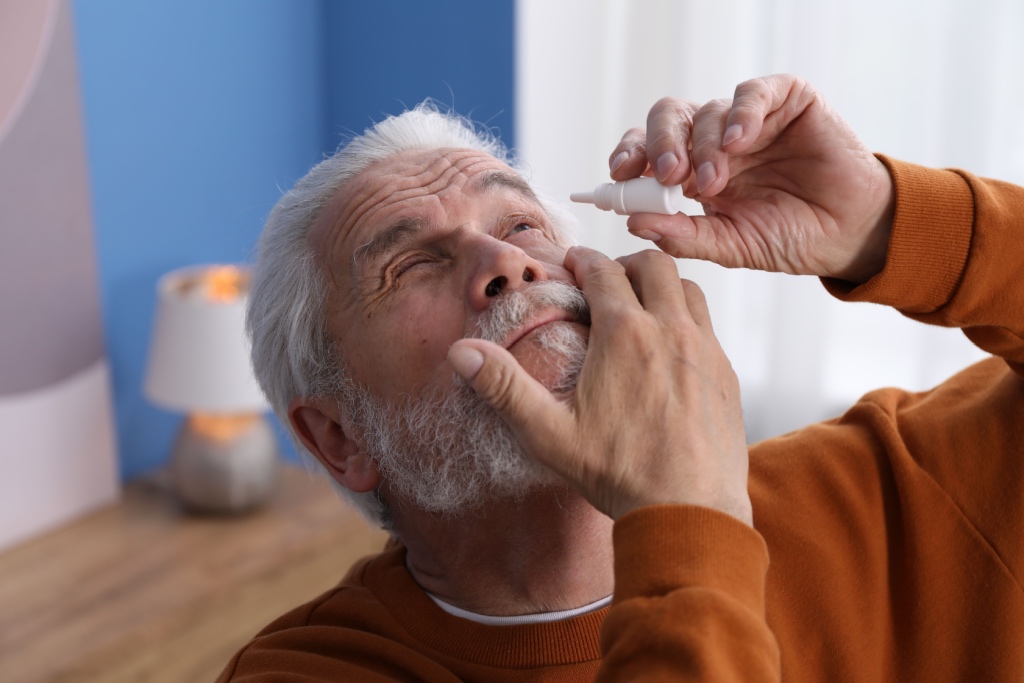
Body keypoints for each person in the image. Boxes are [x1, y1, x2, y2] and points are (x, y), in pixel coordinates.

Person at [217, 74, 1024, 681]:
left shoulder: (891, 489)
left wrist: (890, 219)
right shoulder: (308, 670)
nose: (507, 262)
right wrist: (685, 519)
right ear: (339, 434)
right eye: (412, 264)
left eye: (522, 224)